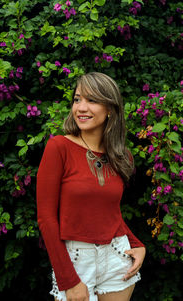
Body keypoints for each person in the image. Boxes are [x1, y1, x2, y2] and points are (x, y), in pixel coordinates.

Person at [36, 72, 146, 301]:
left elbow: (110, 213)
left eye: (92, 100)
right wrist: (69, 280)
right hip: (76, 261)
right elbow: (46, 218)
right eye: (77, 99)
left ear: (110, 109)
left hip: (117, 255)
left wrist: (137, 244)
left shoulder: (121, 156)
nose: (81, 108)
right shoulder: (59, 148)